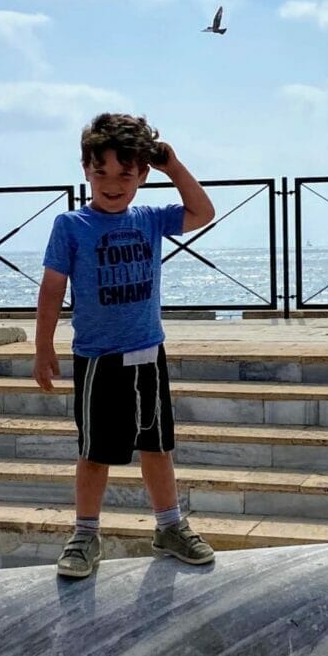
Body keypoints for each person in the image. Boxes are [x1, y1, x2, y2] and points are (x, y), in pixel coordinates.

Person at [35, 112, 218, 580]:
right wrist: (43, 347)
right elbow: (53, 287)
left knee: (157, 447)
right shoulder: (71, 225)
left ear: (141, 174)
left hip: (147, 354)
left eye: (125, 172)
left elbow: (203, 212)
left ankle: (170, 525)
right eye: (102, 172)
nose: (113, 183)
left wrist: (172, 167)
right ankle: (84, 534)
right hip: (98, 358)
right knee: (95, 452)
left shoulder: (151, 219)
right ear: (85, 170)